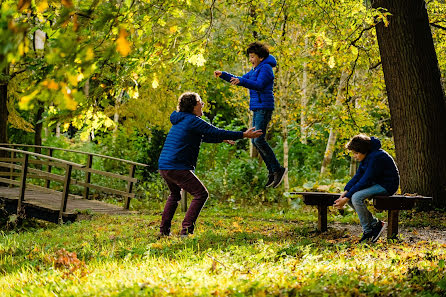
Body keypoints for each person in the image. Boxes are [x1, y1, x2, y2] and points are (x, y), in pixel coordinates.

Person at [158, 92, 262, 237]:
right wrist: (243, 134)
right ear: (193, 106)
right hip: (177, 166)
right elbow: (216, 131)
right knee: (201, 194)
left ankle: (164, 232)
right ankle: (186, 231)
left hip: (165, 166)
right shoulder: (193, 120)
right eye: (200, 102)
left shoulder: (182, 120)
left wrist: (221, 139)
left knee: (175, 195)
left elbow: (202, 136)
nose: (203, 104)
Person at [214, 41, 287, 188]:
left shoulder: (265, 68)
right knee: (255, 141)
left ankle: (278, 169)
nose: (250, 59)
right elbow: (240, 78)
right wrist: (224, 75)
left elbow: (259, 85)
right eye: (250, 57)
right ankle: (272, 171)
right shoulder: (256, 69)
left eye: (252, 56)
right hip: (257, 108)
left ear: (260, 57)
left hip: (264, 107)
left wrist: (242, 81)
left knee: (258, 140)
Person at [334, 134, 400, 243]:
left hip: (387, 185)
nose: (354, 156)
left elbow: (366, 180)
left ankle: (368, 231)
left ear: (364, 150)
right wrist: (346, 192)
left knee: (355, 197)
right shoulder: (367, 157)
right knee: (351, 197)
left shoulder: (376, 157)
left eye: (356, 153)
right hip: (376, 184)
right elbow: (358, 176)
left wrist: (347, 197)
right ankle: (375, 224)